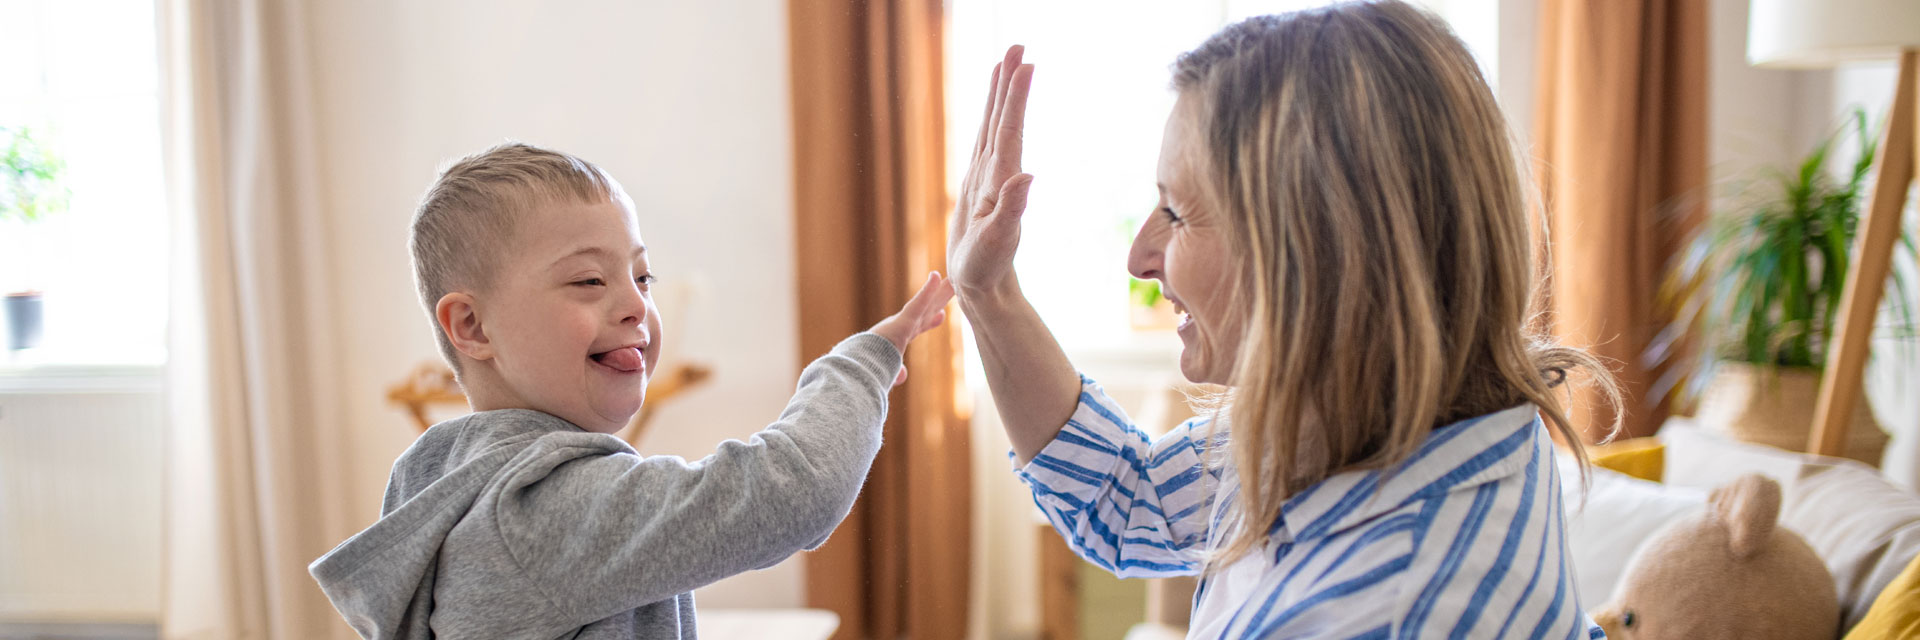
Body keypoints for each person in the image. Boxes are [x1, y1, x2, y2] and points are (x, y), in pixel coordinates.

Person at [946, 2, 1620, 638]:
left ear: (1319, 252)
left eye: (1177, 214)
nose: (1140, 258)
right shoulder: (1370, 409)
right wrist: (989, 294)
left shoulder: (1383, 610)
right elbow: (1132, 500)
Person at [309, 142, 952, 638]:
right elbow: (791, 490)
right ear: (473, 327)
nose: (634, 306)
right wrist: (861, 362)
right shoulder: (536, 510)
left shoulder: (445, 477)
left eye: (642, 277)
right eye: (589, 281)